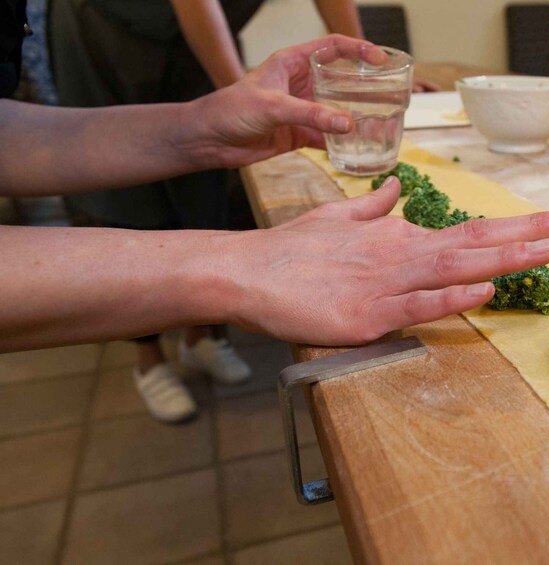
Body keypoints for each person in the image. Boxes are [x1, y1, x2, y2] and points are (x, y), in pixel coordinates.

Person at [1, 31, 549, 392]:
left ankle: (203, 342)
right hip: (109, 50)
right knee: (137, 209)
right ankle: (158, 358)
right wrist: (234, 265)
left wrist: (198, 130)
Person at [45, 0, 392, 422]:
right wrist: (247, 96)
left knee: (211, 178)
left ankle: (201, 336)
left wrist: (373, 69)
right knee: (129, 197)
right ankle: (149, 356)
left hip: (195, 40)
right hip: (113, 30)